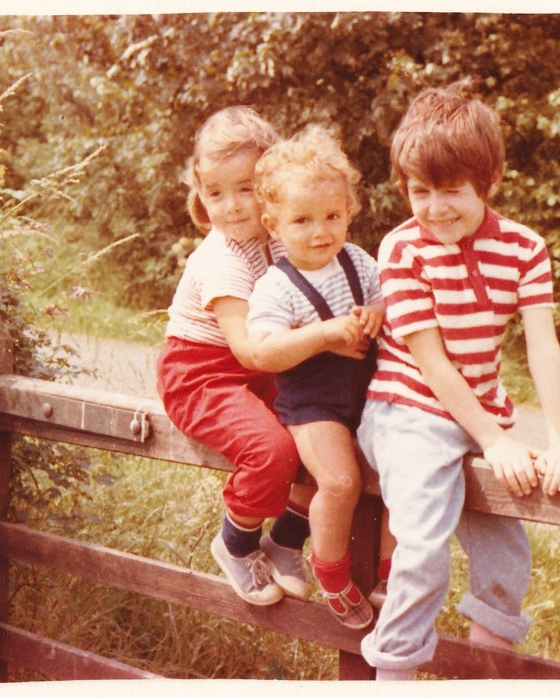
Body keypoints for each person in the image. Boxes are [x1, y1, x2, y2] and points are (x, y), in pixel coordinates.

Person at [356, 80, 560, 680]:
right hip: (408, 412)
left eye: (452, 190)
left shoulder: (525, 249)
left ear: (491, 181)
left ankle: (484, 671)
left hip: (480, 418)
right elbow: (430, 363)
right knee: (423, 549)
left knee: (507, 557)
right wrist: (495, 440)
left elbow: (542, 345)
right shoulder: (402, 249)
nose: (436, 208)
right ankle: (394, 674)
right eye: (420, 192)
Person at [156, 106, 314, 608]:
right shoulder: (222, 257)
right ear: (200, 195)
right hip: (202, 372)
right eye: (215, 192)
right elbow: (249, 346)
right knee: (273, 448)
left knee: (325, 429)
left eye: (245, 188)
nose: (231, 206)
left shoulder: (278, 239)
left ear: (271, 184)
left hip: (261, 366)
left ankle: (287, 539)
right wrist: (325, 337)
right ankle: (236, 541)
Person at [246, 125, 387, 629]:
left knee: (395, 476)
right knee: (342, 479)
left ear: (350, 210)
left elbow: (391, 300)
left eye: (332, 215)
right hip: (313, 407)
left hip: (368, 399)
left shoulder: (359, 262)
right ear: (274, 225)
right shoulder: (276, 286)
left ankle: (392, 573)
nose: (320, 231)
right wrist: (324, 334)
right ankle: (330, 570)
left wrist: (376, 311)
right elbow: (263, 352)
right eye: (301, 220)